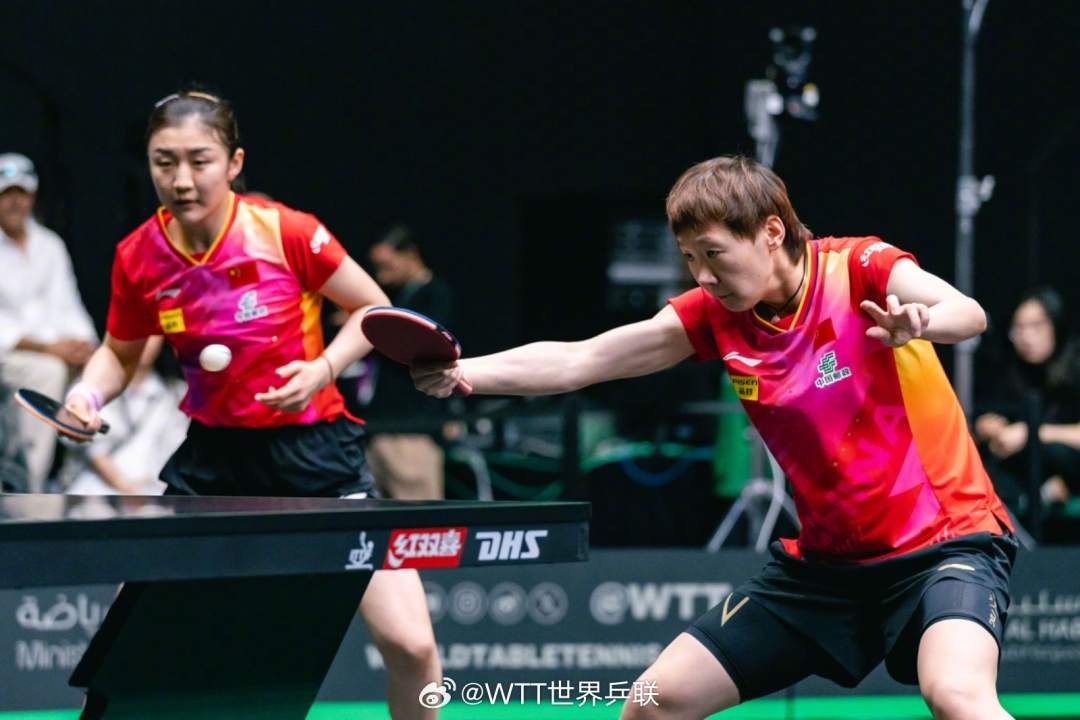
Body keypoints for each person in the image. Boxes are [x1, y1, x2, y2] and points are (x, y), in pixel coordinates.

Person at [413, 156, 1016, 720]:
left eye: (714, 254)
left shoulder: (859, 268)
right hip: (828, 570)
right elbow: (583, 359)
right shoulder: (715, 315)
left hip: (946, 544)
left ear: (771, 231)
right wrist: (466, 372)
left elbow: (970, 313)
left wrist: (922, 322)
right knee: (653, 702)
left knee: (957, 695)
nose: (703, 275)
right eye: (689, 258)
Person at [63, 90, 440, 719]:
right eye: (164, 162)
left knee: (412, 644)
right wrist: (87, 392)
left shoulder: (286, 231)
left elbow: (374, 309)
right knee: (125, 646)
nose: (182, 180)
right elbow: (120, 354)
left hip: (316, 455)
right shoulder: (139, 255)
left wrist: (323, 368)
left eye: (199, 160)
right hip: (213, 461)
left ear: (234, 162)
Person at [0, 152, 98, 491]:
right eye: (6, 194)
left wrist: (84, 347)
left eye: (21, 193)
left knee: (99, 370)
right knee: (47, 373)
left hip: (51, 352)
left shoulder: (49, 245)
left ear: (33, 196)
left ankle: (77, 482)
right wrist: (48, 349)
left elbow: (69, 306)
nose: (15, 202)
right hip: (12, 355)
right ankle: (31, 486)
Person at [364, 226, 456, 499]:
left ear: (410, 254)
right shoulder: (398, 295)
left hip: (413, 430)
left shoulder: (435, 295)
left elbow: (424, 352)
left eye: (387, 266)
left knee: (419, 517)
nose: (381, 275)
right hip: (380, 428)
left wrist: (370, 332)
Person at [975, 287, 1080, 505]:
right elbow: (988, 416)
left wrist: (1030, 433)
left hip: (1066, 464)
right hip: (1021, 472)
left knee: (1054, 452)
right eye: (1018, 328)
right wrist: (987, 427)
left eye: (1037, 326)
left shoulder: (1075, 366)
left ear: (1056, 325)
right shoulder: (1009, 371)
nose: (1027, 337)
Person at [63, 336, 183, 495]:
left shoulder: (176, 393)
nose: (145, 339)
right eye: (139, 330)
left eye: (153, 334)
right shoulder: (91, 385)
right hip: (96, 490)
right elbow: (94, 452)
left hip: (156, 490)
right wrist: (129, 490)